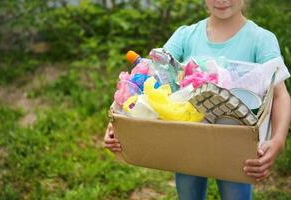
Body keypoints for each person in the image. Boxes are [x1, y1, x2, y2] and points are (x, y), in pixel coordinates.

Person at [104, 0, 291, 199]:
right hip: (188, 140)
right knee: (188, 191)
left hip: (234, 144)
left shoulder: (260, 39)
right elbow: (151, 84)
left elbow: (280, 95)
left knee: (235, 193)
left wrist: (278, 140)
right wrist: (119, 123)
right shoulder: (185, 36)